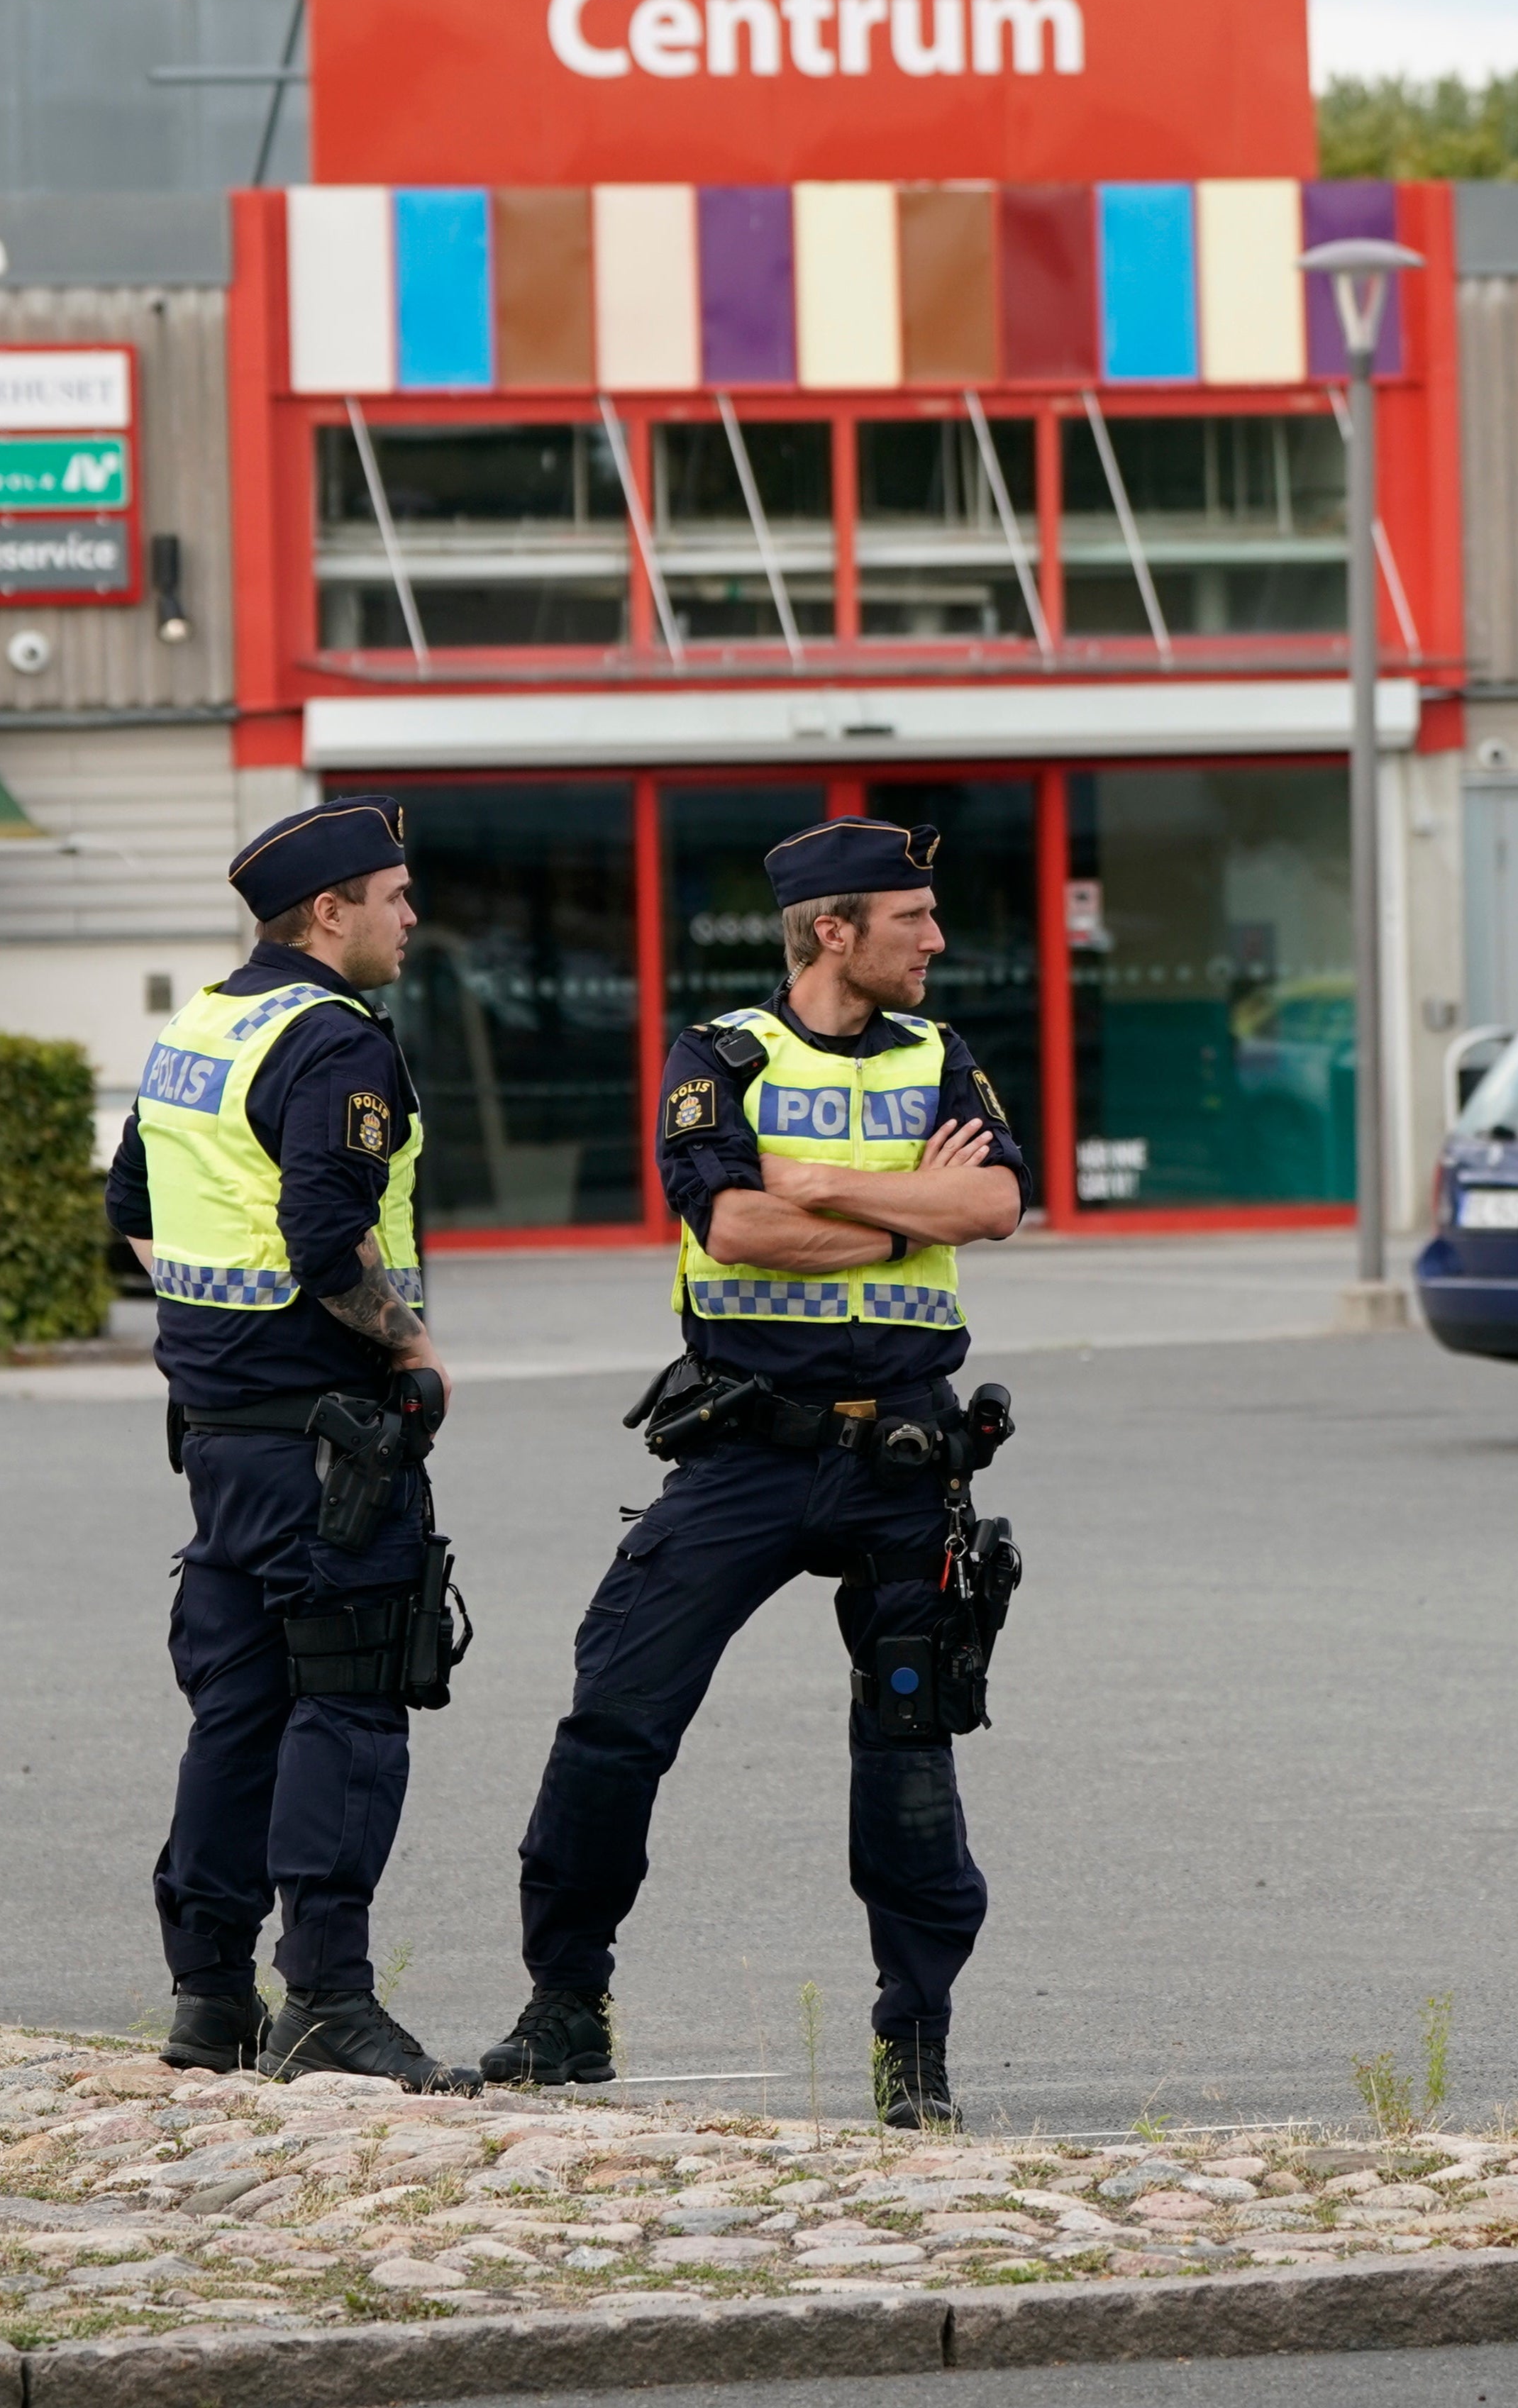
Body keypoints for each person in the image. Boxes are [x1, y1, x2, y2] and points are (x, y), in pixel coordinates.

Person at [482, 816, 1029, 2131]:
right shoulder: (721, 1055)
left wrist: (826, 1185)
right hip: (744, 1449)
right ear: (832, 929)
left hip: (905, 1448)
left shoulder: (941, 1056)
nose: (938, 941)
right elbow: (729, 1222)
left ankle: (915, 2048)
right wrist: (905, 1202)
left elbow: (1000, 1205)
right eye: (913, 920)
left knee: (910, 1749)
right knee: (614, 1716)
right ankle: (567, 2009)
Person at [100, 792, 474, 2089]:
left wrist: (218, 1330)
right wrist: (409, 1348)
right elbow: (325, 1235)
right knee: (348, 1707)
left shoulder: (203, 1025)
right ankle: (327, 1998)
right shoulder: (334, 1041)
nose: (411, 917)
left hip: (220, 1433)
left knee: (239, 1715)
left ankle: (208, 2003)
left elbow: (130, 1206)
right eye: (395, 896)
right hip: (329, 1443)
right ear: (331, 912)